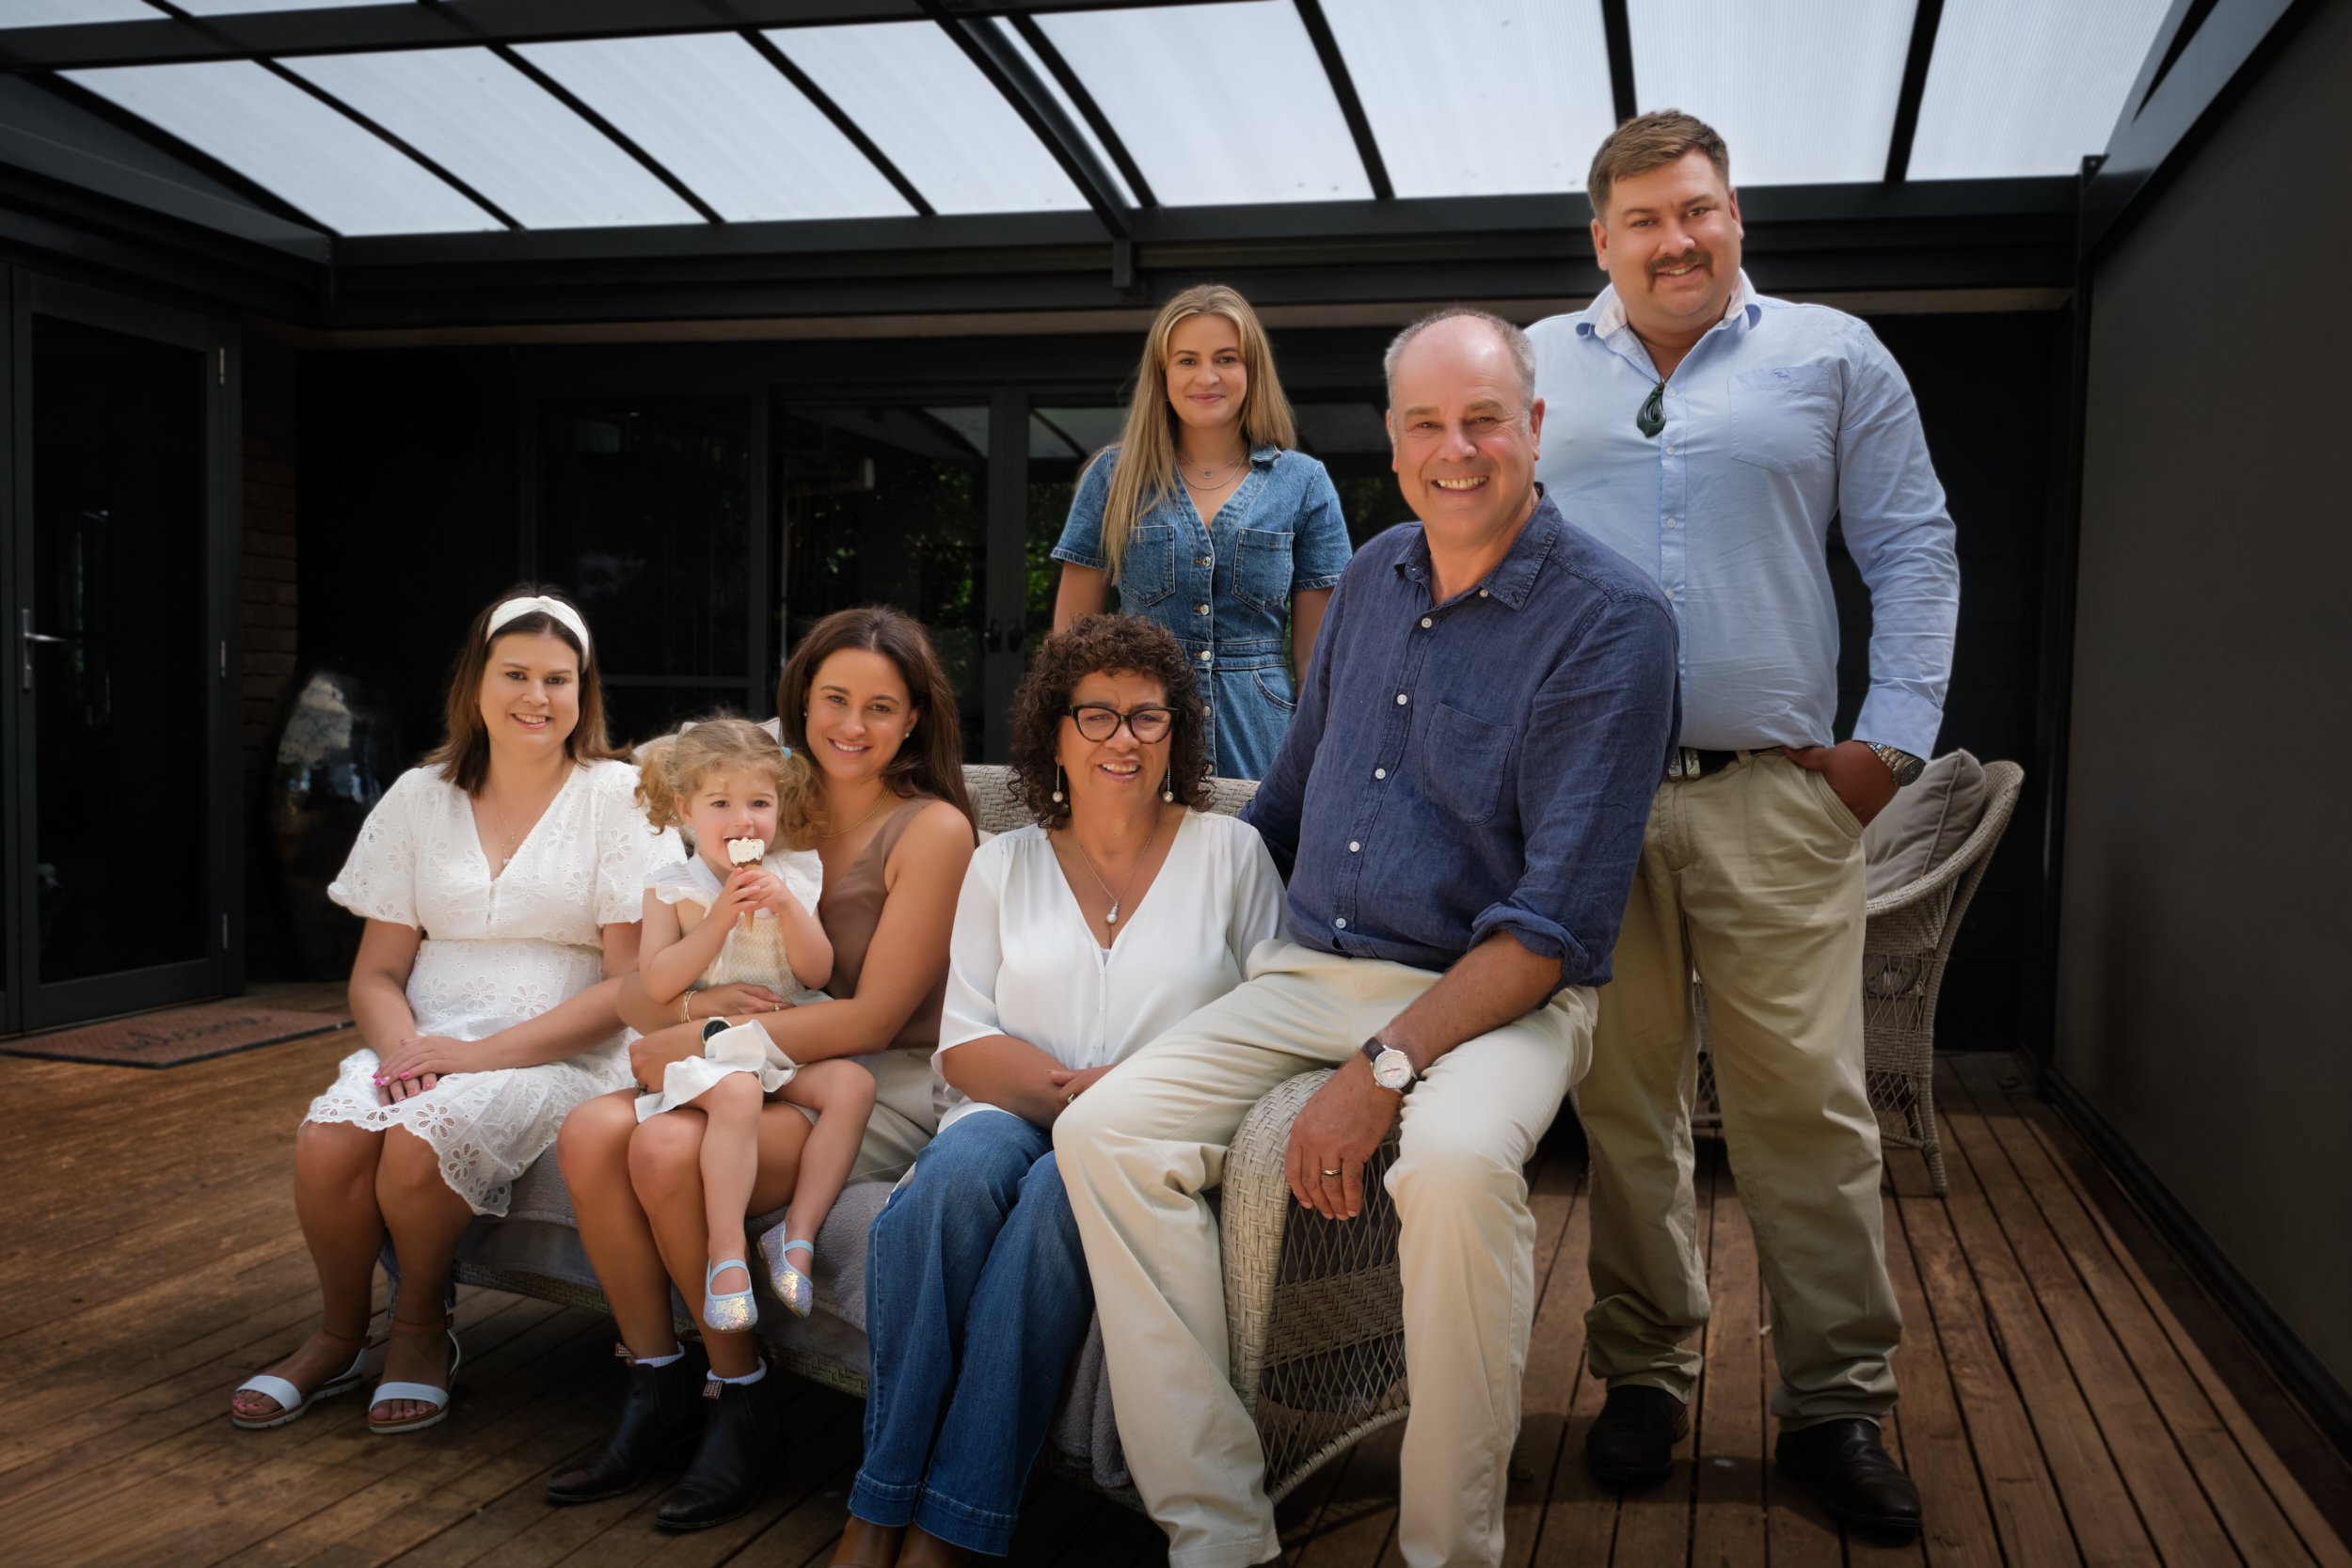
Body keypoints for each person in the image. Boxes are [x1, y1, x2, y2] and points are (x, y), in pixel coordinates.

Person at [1056, 310, 1679, 1568]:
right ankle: (1218, 1522)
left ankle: (1449, 1545)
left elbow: (1555, 923)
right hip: (1310, 970)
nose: (1457, 448)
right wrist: (1120, 899)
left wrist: (1382, 1071)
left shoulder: (1616, 621)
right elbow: (1282, 802)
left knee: (1450, 1168)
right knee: (1103, 1127)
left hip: (1493, 993)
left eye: (1484, 418)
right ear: (1392, 444)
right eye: (1427, 424)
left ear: (1536, 427)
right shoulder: (1381, 572)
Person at [1527, 110, 1958, 1536]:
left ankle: (1837, 1402)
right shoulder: (1530, 367)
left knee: (1809, 1114)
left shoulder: (1830, 353)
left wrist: (1886, 743)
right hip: (1586, 799)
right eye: (1645, 218)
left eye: (1700, 209)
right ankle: (1646, 1372)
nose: (1677, 238)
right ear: (1601, 238)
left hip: (1776, 797)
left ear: (1736, 218)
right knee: (1624, 1106)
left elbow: (1911, 545)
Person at [834, 617, 1285, 1568]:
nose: (1123, 737)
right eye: (1097, 715)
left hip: (1151, 1138)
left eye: (1147, 717)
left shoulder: (1231, 854)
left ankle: (944, 1526)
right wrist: (1078, 1092)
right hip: (1006, 1108)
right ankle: (876, 1505)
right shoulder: (1004, 862)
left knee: (1053, 1194)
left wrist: (1126, 1103)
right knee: (950, 1183)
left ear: (1178, 733)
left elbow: (1267, 1026)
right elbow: (963, 1040)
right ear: (1054, 731)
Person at [549, 607, 976, 1531]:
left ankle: (742, 1395)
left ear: (913, 719)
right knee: (588, 1131)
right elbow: (644, 986)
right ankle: (655, 1379)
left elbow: (873, 1014)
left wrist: (696, 1043)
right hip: (743, 1059)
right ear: (798, 703)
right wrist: (692, 1020)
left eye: (879, 705)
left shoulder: (930, 829)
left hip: (869, 1073)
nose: (851, 724)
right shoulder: (758, 800)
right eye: (831, 698)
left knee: (662, 1151)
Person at [229, 587, 653, 1435]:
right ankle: (339, 1336)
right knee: (328, 1140)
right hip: (425, 1039)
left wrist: (477, 1057)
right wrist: (402, 1052)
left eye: (559, 679)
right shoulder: (421, 796)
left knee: (418, 1145)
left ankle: (423, 1328)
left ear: (583, 692)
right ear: (476, 682)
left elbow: (626, 989)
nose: (537, 697)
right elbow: (377, 972)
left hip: (562, 1050)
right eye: (517, 673)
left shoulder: (619, 795)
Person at [1050, 282, 1354, 781]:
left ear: (1251, 370)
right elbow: (1070, 645)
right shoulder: (1112, 477)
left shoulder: (1303, 483)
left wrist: (1325, 759)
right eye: (1187, 360)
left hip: (1264, 739)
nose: (1207, 377)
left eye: (1227, 359)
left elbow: (1318, 658)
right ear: (1163, 373)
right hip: (1140, 737)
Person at [630, 717, 876, 1329]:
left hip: (778, 1044)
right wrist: (717, 917)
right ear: (686, 810)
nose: (743, 819)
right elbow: (658, 982)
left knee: (854, 1086)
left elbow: (816, 970)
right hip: (709, 1054)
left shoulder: (794, 875)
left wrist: (790, 906)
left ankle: (797, 1235)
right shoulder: (671, 890)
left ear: (778, 807)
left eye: (758, 802)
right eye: (721, 802)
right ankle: (726, 1255)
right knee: (737, 1091)